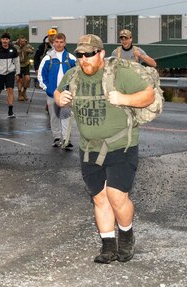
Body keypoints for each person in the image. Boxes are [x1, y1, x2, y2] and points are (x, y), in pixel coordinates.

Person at [55, 34, 155, 264]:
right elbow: (59, 92)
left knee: (117, 196)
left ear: (100, 54)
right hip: (89, 149)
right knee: (100, 198)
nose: (83, 60)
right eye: (79, 55)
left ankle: (127, 235)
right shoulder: (74, 75)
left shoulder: (119, 74)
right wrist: (60, 98)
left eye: (89, 54)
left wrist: (124, 98)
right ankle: (108, 245)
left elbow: (148, 95)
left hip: (121, 145)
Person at [37, 33, 76, 148]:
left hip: (66, 94)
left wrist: (72, 89)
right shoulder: (47, 58)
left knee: (66, 116)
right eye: (56, 42)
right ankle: (57, 137)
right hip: (52, 93)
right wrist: (48, 89)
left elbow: (76, 75)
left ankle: (66, 139)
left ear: (65, 43)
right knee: (54, 116)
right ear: (53, 43)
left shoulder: (71, 58)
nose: (59, 44)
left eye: (61, 42)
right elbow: (41, 76)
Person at [0, 32, 20, 118]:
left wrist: (17, 73)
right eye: (3, 39)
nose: (5, 41)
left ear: (9, 40)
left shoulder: (13, 49)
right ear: (1, 40)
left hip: (10, 72)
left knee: (10, 90)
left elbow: (17, 62)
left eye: (6, 39)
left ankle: (10, 111)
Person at [14, 35, 35, 101]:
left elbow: (32, 51)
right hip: (18, 65)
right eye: (21, 41)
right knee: (19, 80)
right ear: (19, 41)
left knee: (27, 78)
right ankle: (19, 94)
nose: (22, 42)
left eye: (24, 41)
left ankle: (24, 92)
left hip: (26, 64)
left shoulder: (27, 46)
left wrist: (29, 51)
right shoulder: (15, 46)